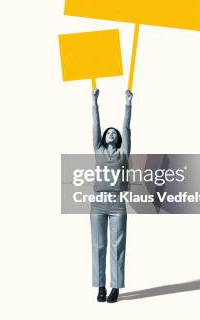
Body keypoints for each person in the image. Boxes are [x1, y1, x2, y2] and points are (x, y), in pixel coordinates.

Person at [90, 88, 132, 303]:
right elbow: (96, 127)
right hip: (98, 203)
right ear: (104, 138)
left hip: (117, 205)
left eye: (115, 133)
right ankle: (100, 287)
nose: (112, 133)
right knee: (98, 245)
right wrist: (94, 102)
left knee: (118, 246)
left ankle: (115, 287)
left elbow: (126, 126)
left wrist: (128, 104)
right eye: (109, 132)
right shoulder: (98, 150)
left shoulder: (123, 152)